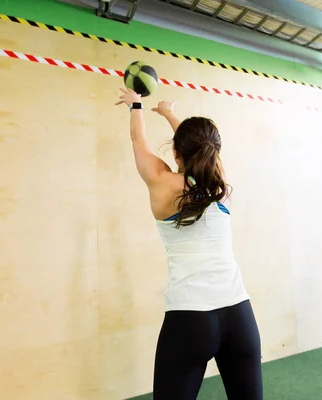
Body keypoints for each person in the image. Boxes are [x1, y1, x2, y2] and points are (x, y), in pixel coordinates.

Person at [115, 88, 263, 400]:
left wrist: (136, 105)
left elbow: (138, 143)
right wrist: (171, 115)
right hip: (239, 314)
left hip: (190, 319)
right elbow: (201, 149)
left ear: (175, 153)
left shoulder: (162, 184)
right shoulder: (220, 187)